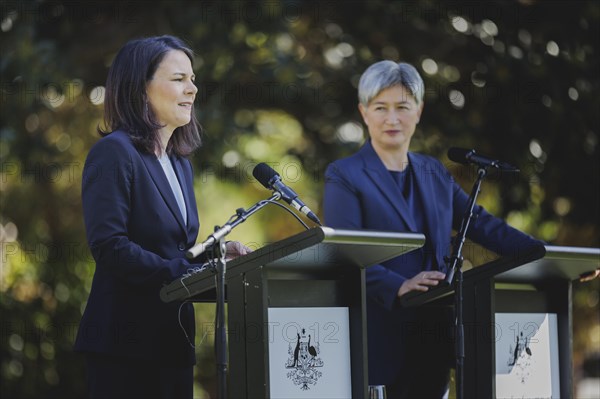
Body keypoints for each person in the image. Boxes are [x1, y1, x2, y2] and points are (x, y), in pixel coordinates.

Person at [323, 60, 544, 398]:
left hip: (436, 336)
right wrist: (400, 285)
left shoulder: (434, 172)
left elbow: (482, 224)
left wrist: (544, 256)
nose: (392, 118)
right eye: (380, 107)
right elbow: (345, 250)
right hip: (380, 335)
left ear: (419, 111)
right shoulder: (345, 175)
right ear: (364, 112)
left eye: (402, 107)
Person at [74, 35, 249, 399]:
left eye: (193, 79)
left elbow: (174, 252)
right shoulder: (113, 153)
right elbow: (110, 246)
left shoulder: (180, 164)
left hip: (172, 345)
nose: (192, 89)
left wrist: (216, 259)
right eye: (179, 79)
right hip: (123, 347)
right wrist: (187, 273)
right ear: (141, 88)